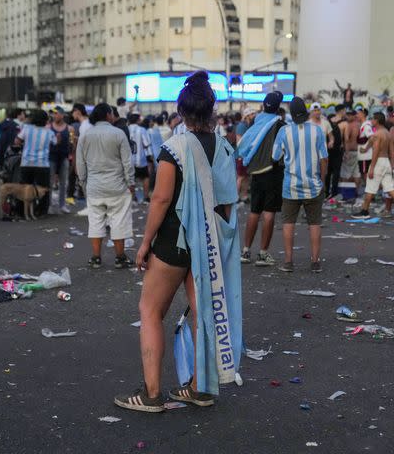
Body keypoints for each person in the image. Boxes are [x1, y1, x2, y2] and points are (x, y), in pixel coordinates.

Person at [115, 71, 241, 413]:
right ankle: (200, 388)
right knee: (203, 314)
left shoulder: (175, 147)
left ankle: (152, 394)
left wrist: (144, 243)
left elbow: (160, 199)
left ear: (181, 112)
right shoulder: (225, 146)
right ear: (212, 110)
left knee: (151, 310)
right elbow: (229, 202)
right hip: (210, 243)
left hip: (175, 240)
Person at [272, 98, 328, 273]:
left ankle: (288, 262)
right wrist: (322, 179)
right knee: (315, 223)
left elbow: (274, 156)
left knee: (288, 223)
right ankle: (315, 262)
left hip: (291, 186)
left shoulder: (284, 131)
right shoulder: (317, 130)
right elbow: (324, 158)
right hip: (314, 185)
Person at [76, 103, 135, 269]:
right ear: (109, 115)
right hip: (117, 186)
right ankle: (120, 257)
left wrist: (83, 183)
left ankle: (95, 257)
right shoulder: (118, 134)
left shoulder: (85, 136)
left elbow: (80, 164)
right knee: (119, 220)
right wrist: (130, 182)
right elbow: (127, 162)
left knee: (95, 221)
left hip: (94, 186)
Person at [236, 91, 285, 267]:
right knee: (269, 212)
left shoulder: (256, 123)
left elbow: (246, 145)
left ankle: (245, 251)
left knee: (254, 211)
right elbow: (283, 150)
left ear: (264, 106)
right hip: (273, 172)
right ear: (278, 108)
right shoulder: (279, 125)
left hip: (256, 172)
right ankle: (263, 254)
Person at [352, 112, 394, 220]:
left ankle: (364, 211)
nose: (371, 121)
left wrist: (372, 167)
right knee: (389, 188)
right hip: (386, 163)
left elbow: (376, 151)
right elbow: (391, 151)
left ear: (377, 121)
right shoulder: (387, 134)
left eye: (372, 119)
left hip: (378, 162)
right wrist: (392, 164)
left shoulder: (377, 134)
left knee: (370, 188)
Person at [15, 110, 56, 216]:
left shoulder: (27, 129)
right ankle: (41, 211)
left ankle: (21, 211)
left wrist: (24, 145)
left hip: (26, 163)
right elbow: (55, 142)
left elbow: (17, 141)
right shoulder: (49, 132)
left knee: (23, 188)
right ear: (46, 120)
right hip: (42, 164)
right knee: (43, 189)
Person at [48, 107, 74, 214]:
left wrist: (72, 154)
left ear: (63, 115)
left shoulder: (69, 129)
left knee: (64, 182)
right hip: (51, 157)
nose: (54, 116)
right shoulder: (48, 127)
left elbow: (72, 143)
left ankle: (62, 205)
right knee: (49, 182)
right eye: (53, 114)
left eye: (56, 114)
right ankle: (49, 205)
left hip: (64, 157)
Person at [128, 113, 152, 203]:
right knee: (145, 177)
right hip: (140, 159)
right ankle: (146, 198)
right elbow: (146, 143)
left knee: (131, 179)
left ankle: (133, 198)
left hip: (129, 160)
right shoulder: (141, 130)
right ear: (138, 120)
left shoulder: (127, 129)